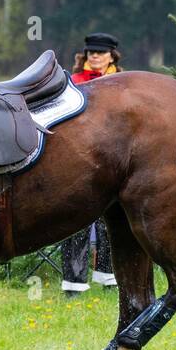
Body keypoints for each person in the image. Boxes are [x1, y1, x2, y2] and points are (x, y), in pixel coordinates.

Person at [61, 33, 123, 294]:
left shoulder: (125, 84)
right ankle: (73, 283)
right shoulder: (74, 83)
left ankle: (108, 277)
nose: (95, 56)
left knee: (113, 220)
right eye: (91, 53)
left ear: (111, 56)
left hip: (115, 158)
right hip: (80, 158)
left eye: (100, 52)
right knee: (77, 219)